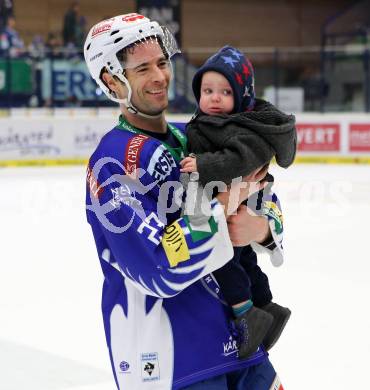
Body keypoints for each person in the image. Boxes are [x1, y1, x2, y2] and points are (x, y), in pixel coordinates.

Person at [84, 14, 285, 389]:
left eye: (161, 62)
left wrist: (264, 228)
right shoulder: (112, 164)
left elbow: (263, 192)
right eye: (142, 68)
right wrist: (219, 210)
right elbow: (159, 264)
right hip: (173, 358)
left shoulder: (191, 138)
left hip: (241, 341)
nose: (160, 76)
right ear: (112, 81)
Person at [180, 46, 295, 359]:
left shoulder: (241, 130)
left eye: (225, 91)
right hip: (220, 211)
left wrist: (261, 229)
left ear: (242, 96)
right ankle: (266, 305)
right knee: (242, 261)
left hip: (232, 215)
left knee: (230, 263)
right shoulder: (209, 126)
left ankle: (248, 312)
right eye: (207, 91)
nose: (214, 98)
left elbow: (243, 168)